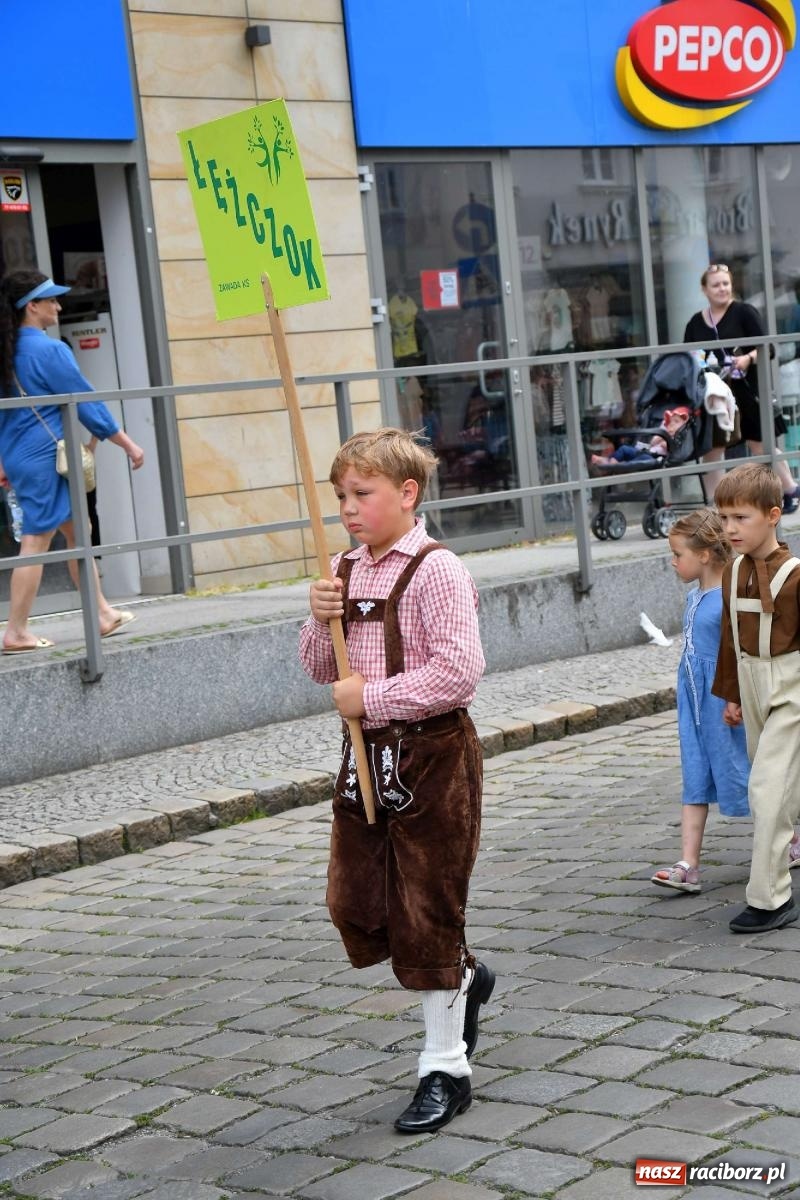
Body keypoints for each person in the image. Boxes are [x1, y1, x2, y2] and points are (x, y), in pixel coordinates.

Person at [298, 427, 494, 1134]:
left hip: (432, 757)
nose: (348, 508)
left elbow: (458, 672)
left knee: (424, 914)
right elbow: (321, 667)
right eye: (341, 495)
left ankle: (444, 1067)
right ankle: (465, 977)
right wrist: (322, 621)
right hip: (365, 760)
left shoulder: (437, 570)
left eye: (363, 494)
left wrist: (372, 700)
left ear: (408, 494)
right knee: (355, 902)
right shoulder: (346, 568)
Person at [0, 268, 144, 653]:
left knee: (78, 532)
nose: (58, 305)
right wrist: (127, 443)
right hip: (46, 457)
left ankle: (101, 614)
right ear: (32, 307)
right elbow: (85, 402)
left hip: (21, 455)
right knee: (35, 540)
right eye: (51, 300)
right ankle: (15, 632)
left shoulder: (7, 351)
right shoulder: (49, 350)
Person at [713, 463, 800, 932]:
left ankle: (770, 898)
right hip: (751, 683)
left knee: (767, 789)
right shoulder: (731, 573)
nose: (729, 528)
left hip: (792, 687)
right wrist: (732, 694)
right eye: (724, 517)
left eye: (740, 518)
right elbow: (729, 638)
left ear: (773, 515)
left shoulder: (796, 575)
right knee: (784, 786)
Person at [651, 509, 752, 894]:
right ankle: (688, 864)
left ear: (705, 555)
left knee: (746, 769)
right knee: (695, 771)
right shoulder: (696, 596)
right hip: (694, 704)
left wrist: (735, 696)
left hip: (723, 704)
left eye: (678, 554)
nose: (674, 562)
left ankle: (790, 836)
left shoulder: (730, 596)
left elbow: (739, 652)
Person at [684, 263, 799, 509]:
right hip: (714, 396)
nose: (722, 289)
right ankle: (718, 505)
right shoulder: (695, 322)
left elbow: (767, 348)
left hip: (747, 391)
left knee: (761, 444)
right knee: (712, 449)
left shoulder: (744, 312)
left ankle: (789, 490)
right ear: (705, 289)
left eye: (726, 283)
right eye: (716, 285)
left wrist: (746, 359)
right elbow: (689, 355)